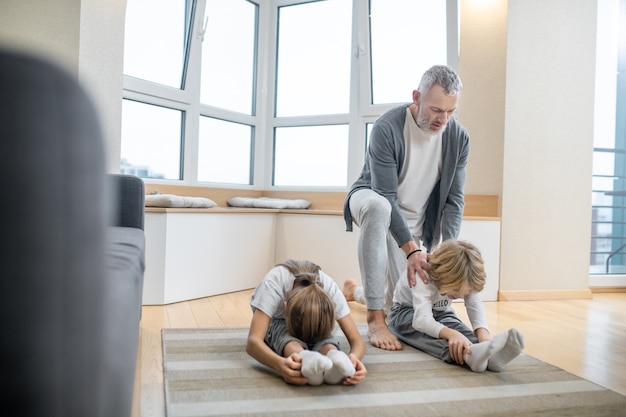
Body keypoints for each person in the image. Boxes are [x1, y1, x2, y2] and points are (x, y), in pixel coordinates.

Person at [343, 64, 469, 350]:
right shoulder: (387, 127)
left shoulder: (458, 138)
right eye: (437, 110)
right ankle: (375, 318)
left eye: (450, 111)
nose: (443, 119)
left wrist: (445, 254)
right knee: (379, 209)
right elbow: (386, 195)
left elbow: (454, 201)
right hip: (372, 198)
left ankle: (356, 292)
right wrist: (412, 250)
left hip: (417, 222)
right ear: (416, 97)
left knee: (402, 301)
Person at [386, 239, 524, 372]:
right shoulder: (422, 276)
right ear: (445, 278)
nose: (461, 295)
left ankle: (490, 357)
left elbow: (474, 304)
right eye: (457, 291)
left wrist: (484, 337)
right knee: (429, 338)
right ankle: (467, 355)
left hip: (440, 312)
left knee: (463, 333)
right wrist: (452, 334)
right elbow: (421, 321)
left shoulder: (465, 276)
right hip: (406, 313)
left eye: (466, 293)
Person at [246, 259, 367, 386]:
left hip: (314, 317)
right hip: (278, 319)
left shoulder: (330, 289)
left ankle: (334, 356)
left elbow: (357, 340)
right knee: (281, 332)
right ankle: (302, 356)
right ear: (285, 306)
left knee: (324, 337)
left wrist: (353, 359)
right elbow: (253, 342)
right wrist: (280, 365)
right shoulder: (272, 286)